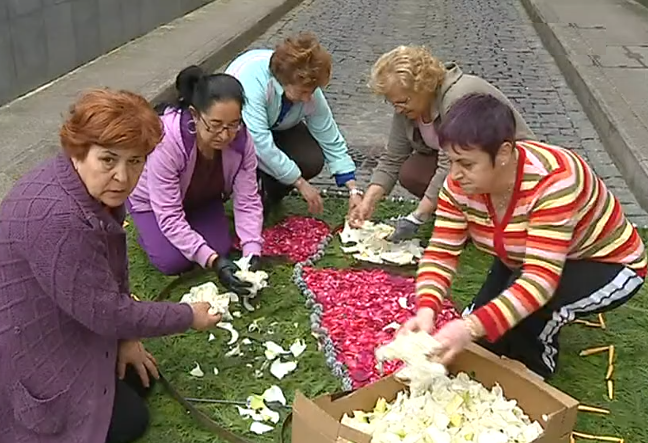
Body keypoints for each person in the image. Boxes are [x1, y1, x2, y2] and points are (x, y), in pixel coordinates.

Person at [0, 89, 222, 443]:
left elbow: (111, 274)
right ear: (79, 151)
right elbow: (107, 312)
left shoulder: (83, 187)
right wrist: (187, 315)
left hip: (62, 319)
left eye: (135, 161)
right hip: (22, 347)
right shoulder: (59, 217)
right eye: (109, 160)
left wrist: (127, 338)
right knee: (128, 422)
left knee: (140, 380)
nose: (123, 177)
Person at [400, 93, 646, 379]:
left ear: (504, 153)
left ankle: (535, 373)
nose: (455, 175)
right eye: (451, 161)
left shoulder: (554, 181)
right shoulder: (459, 185)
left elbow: (541, 281)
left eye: (466, 164)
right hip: (526, 255)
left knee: (524, 316)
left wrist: (470, 327)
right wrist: (427, 309)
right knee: (485, 334)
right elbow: (441, 251)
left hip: (605, 262)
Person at [351, 45, 535, 241]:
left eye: (402, 101)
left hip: (506, 163)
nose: (397, 109)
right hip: (469, 162)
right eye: (392, 103)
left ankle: (484, 214)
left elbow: (448, 164)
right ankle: (461, 211)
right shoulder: (407, 107)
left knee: (456, 172)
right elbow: (392, 158)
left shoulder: (457, 97)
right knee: (412, 171)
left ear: (422, 87)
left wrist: (418, 216)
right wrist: (368, 200)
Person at [127, 66, 263, 293]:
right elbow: (169, 214)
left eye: (233, 124)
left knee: (220, 248)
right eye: (215, 124)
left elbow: (247, 199)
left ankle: (196, 230)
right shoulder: (168, 141)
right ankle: (149, 234)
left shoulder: (241, 141)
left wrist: (252, 251)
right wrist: (213, 262)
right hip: (153, 202)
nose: (225, 135)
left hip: (202, 198)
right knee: (172, 262)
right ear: (195, 114)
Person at [225, 32, 362, 215]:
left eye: (312, 91)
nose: (308, 98)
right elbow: (259, 143)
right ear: (285, 81)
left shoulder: (307, 88)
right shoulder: (252, 84)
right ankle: (246, 193)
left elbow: (328, 133)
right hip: (238, 131)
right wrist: (299, 182)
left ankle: (271, 192)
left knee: (310, 158)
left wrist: (352, 188)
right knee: (253, 158)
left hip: (278, 125)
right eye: (304, 92)